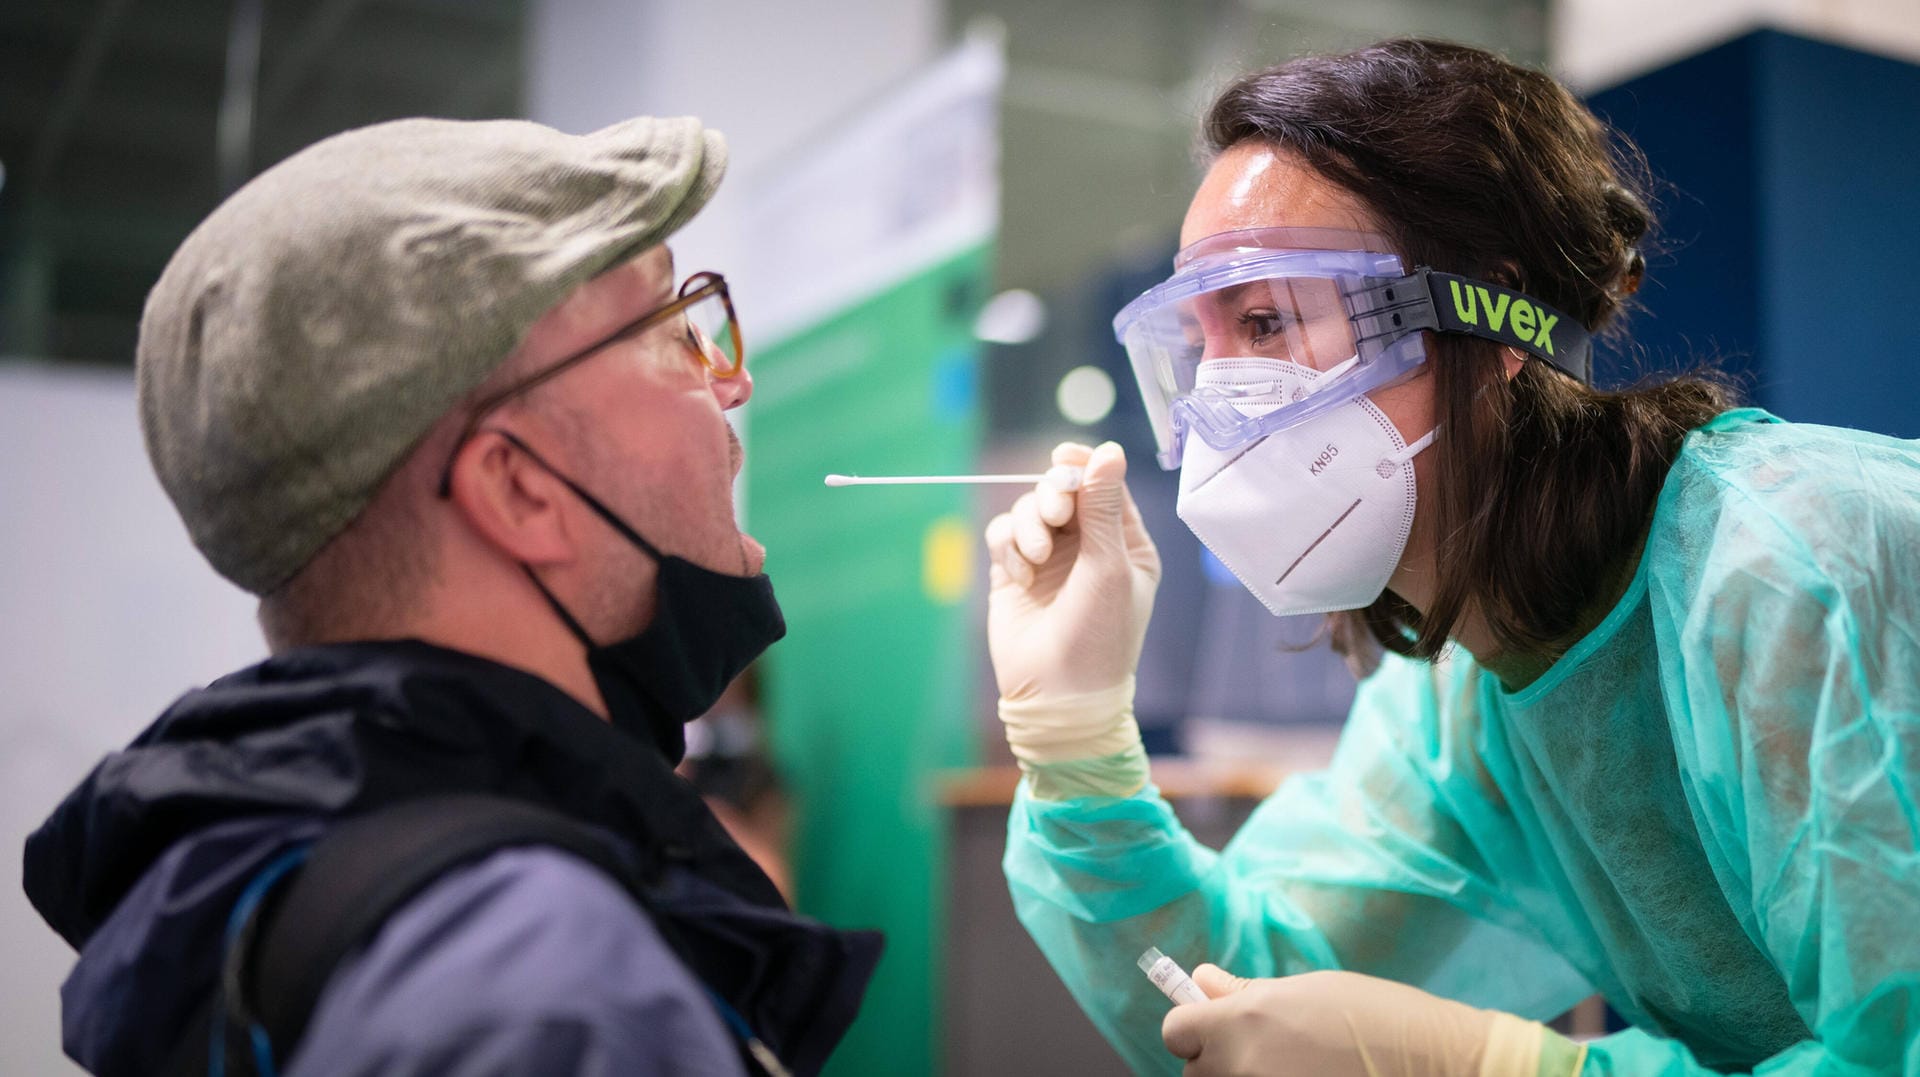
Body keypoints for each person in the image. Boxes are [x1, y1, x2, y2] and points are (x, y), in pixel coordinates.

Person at [984, 38, 1920, 1077]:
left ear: (1496, 318)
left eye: (1267, 320)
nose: (1221, 409)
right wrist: (1074, 741)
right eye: (1198, 348)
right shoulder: (1462, 698)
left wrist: (1506, 1070)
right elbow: (1239, 1001)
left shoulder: (1796, 567)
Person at [22, 115, 879, 1075]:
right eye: (674, 333)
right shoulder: (546, 994)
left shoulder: (254, 885)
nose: (734, 383)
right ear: (518, 489)